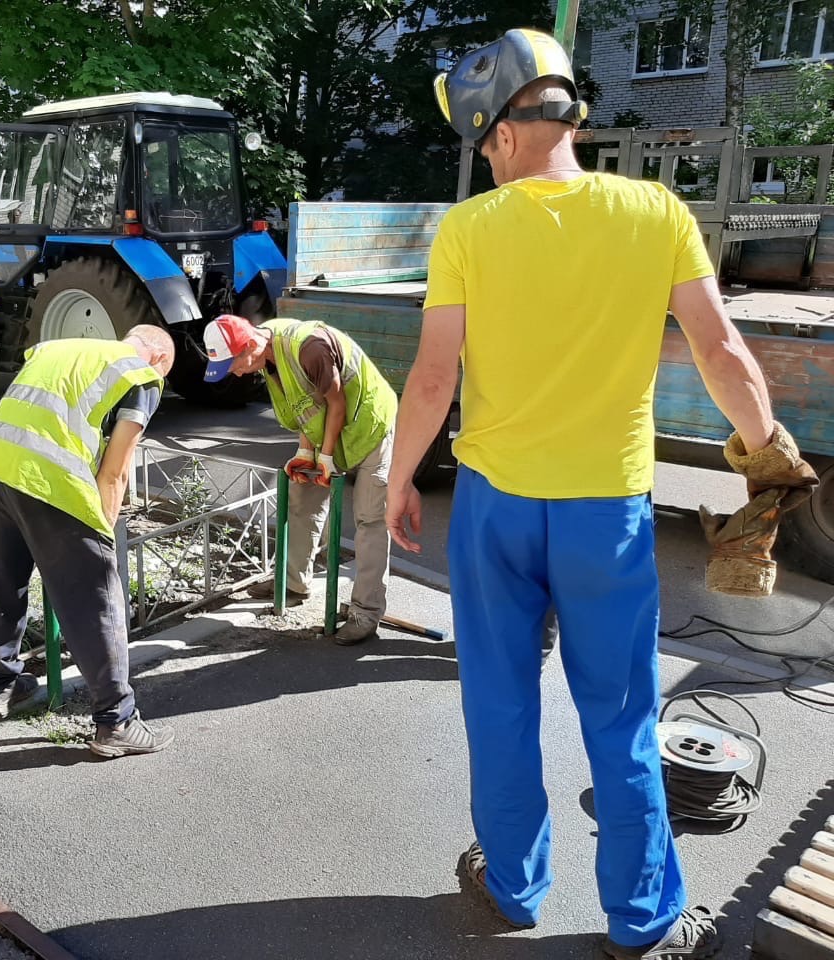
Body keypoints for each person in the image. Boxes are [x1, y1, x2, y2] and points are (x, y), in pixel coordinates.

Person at [386, 28, 814, 959]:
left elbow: (431, 380)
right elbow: (721, 349)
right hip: (607, 515)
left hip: (497, 508)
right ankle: (645, 921)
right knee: (618, 714)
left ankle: (512, 884)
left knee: (499, 701)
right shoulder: (655, 211)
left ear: (498, 131)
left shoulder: (470, 229)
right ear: (568, 111)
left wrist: (393, 481)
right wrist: (764, 451)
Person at [0, 324, 177, 759]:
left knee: (7, 580)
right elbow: (116, 470)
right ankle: (116, 721)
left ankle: (2, 687)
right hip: (50, 481)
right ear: (158, 358)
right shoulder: (140, 376)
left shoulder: (61, 347)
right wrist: (103, 531)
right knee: (96, 597)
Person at [203, 314, 397, 644]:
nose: (233, 373)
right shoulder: (267, 356)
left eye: (233, 364)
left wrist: (324, 457)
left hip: (368, 427)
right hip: (332, 431)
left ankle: (365, 612)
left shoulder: (309, 347)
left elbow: (336, 403)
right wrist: (306, 453)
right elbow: (306, 405)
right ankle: (293, 584)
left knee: (370, 519)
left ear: (250, 345)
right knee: (301, 499)